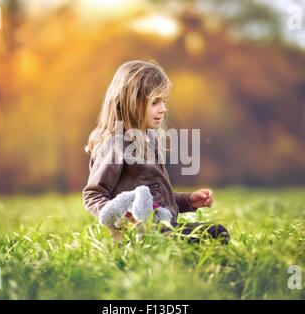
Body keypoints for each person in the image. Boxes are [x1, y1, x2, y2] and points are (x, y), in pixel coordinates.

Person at [82, 60, 230, 244]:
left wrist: (188, 201)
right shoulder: (116, 143)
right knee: (215, 234)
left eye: (164, 101)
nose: (163, 108)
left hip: (162, 229)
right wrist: (125, 218)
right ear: (130, 102)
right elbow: (92, 194)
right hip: (138, 238)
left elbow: (156, 196)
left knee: (215, 234)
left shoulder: (147, 139)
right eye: (155, 102)